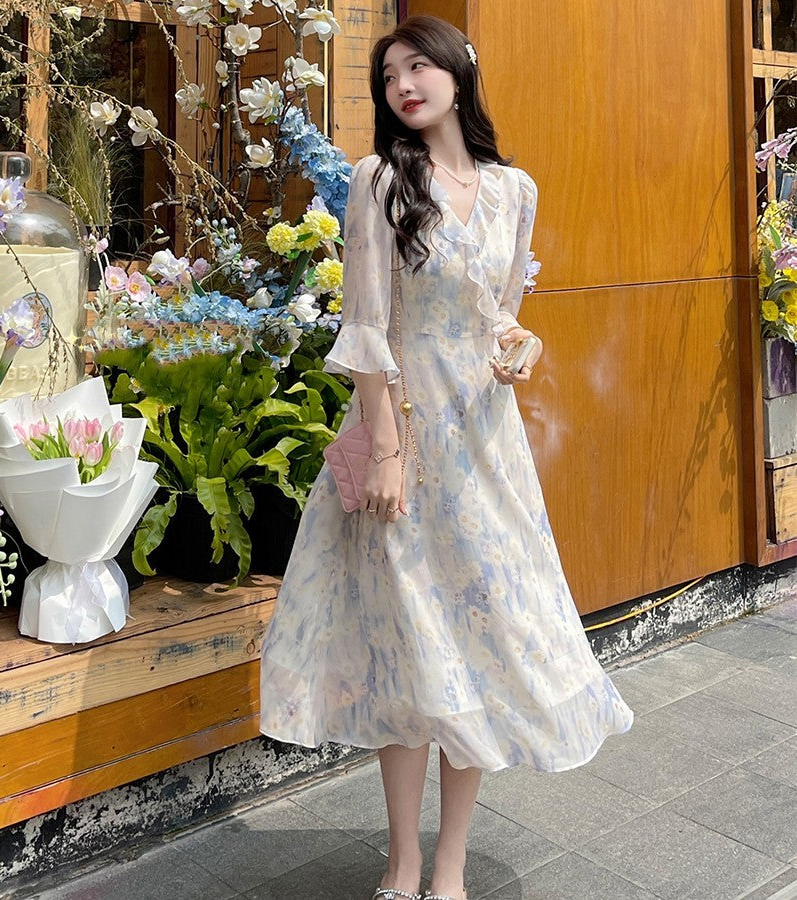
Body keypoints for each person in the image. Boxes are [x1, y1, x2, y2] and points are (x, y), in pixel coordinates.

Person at [259, 14, 634, 900]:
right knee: (408, 645)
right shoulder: (380, 181)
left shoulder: (515, 191)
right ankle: (401, 861)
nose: (403, 84)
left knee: (474, 642)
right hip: (411, 441)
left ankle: (452, 863)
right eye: (389, 75)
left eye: (419, 65)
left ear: (459, 75)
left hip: (488, 448)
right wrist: (385, 451)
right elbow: (366, 328)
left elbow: (500, 310)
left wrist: (523, 344)